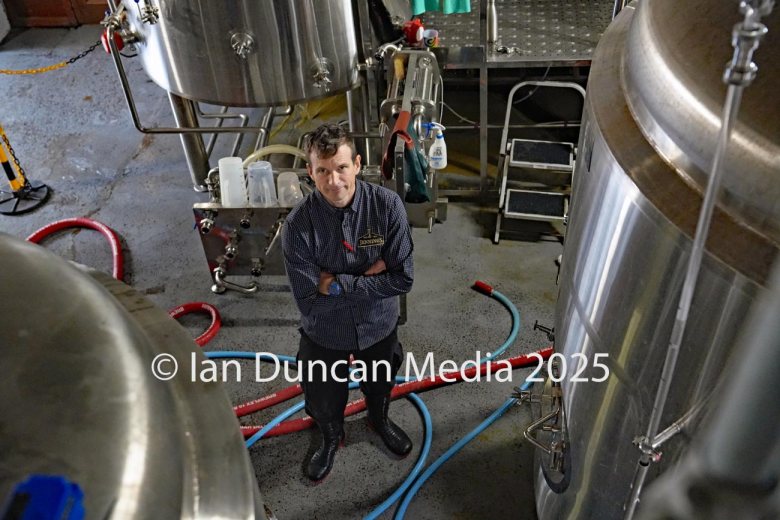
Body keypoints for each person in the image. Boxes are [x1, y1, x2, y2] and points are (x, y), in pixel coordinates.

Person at [281, 123, 415, 481]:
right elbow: (308, 303)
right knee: (323, 396)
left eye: (341, 167)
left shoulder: (387, 207)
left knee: (380, 382)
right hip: (325, 331)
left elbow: (403, 279)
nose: (334, 181)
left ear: (357, 164)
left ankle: (378, 419)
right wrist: (371, 278)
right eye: (323, 171)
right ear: (310, 172)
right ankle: (330, 435)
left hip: (378, 325)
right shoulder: (297, 227)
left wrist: (336, 284)